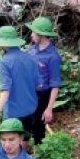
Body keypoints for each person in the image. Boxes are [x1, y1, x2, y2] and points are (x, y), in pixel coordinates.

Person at [0, 26, 42, 148]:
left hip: (14, 111)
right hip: (31, 107)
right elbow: (39, 85)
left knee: (9, 144)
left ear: (3, 44)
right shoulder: (30, 58)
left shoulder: (5, 62)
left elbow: (6, 90)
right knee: (24, 138)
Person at [26, 17, 62, 145]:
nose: (31, 35)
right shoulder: (32, 50)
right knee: (25, 123)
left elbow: (55, 84)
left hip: (41, 96)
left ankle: (38, 155)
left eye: (33, 33)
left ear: (40, 35)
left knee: (38, 128)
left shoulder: (53, 57)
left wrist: (49, 108)